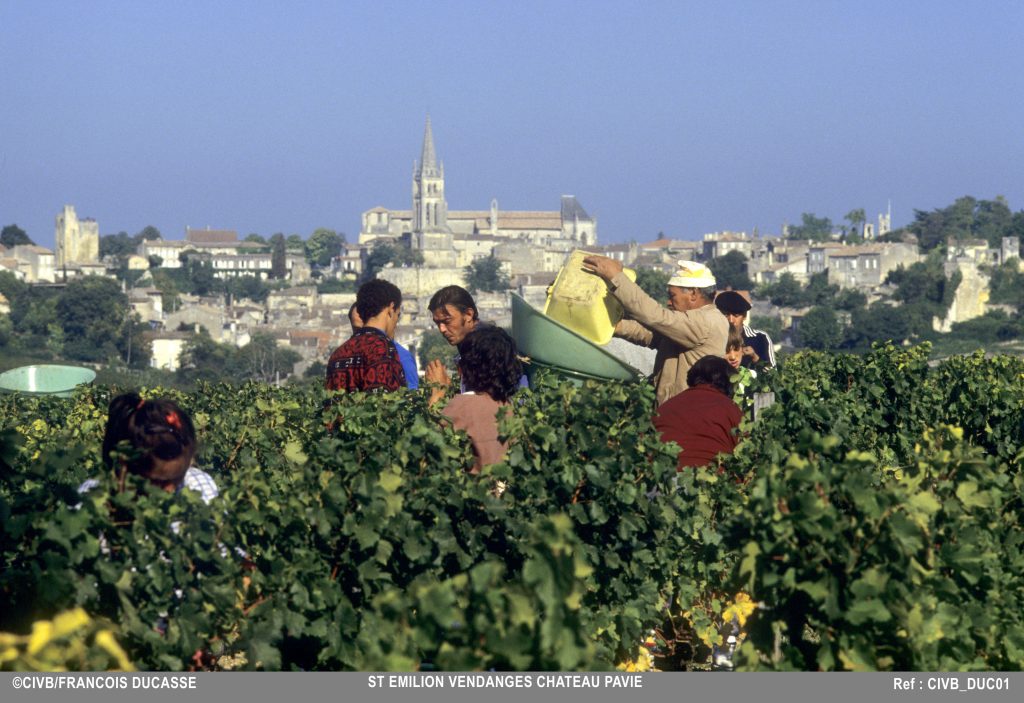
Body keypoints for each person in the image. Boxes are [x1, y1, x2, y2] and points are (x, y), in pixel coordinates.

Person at [581, 256, 730, 406]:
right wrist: (614, 326)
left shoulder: (706, 321)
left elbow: (655, 317)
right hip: (672, 411)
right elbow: (653, 335)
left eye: (672, 296)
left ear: (693, 294)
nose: (668, 302)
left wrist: (617, 278)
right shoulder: (690, 322)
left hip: (684, 413)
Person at [79, 392, 218, 504]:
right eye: (158, 482)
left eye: (176, 478)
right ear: (126, 464)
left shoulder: (199, 486)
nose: (169, 489)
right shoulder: (93, 499)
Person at [432, 326, 522, 474]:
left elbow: (433, 450)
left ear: (466, 367)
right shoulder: (509, 407)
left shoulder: (459, 408)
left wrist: (436, 397)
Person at [424, 284, 527, 392]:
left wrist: (440, 390)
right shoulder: (469, 347)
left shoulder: (488, 348)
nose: (442, 329)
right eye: (438, 323)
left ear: (468, 314)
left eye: (447, 321)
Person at [653, 356, 742, 471]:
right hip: (713, 480)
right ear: (729, 384)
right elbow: (746, 455)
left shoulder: (665, 407)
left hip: (662, 480)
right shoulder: (732, 409)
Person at [326, 279, 405, 393]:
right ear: (391, 308)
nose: (396, 322)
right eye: (398, 315)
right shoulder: (383, 349)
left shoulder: (338, 353)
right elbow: (385, 404)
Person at [349, 304, 419, 390]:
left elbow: (411, 396)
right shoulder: (345, 355)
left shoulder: (403, 358)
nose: (364, 334)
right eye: (358, 330)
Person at [714, 290, 776, 369]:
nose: (731, 320)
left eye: (736, 316)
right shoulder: (714, 338)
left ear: (744, 316)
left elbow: (772, 374)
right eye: (726, 315)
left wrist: (755, 358)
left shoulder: (760, 338)